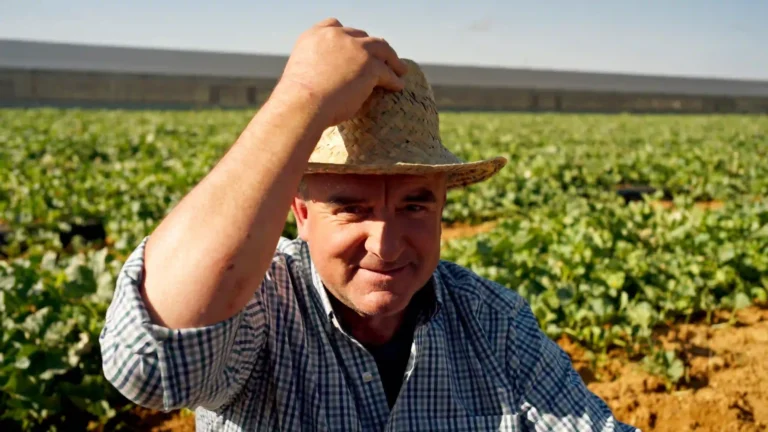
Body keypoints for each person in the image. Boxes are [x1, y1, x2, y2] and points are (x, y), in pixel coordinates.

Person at [100, 18, 639, 432]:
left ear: (443, 209)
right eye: (352, 208)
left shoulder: (493, 324)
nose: (385, 245)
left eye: (414, 206)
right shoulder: (262, 310)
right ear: (303, 213)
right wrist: (302, 98)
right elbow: (150, 367)